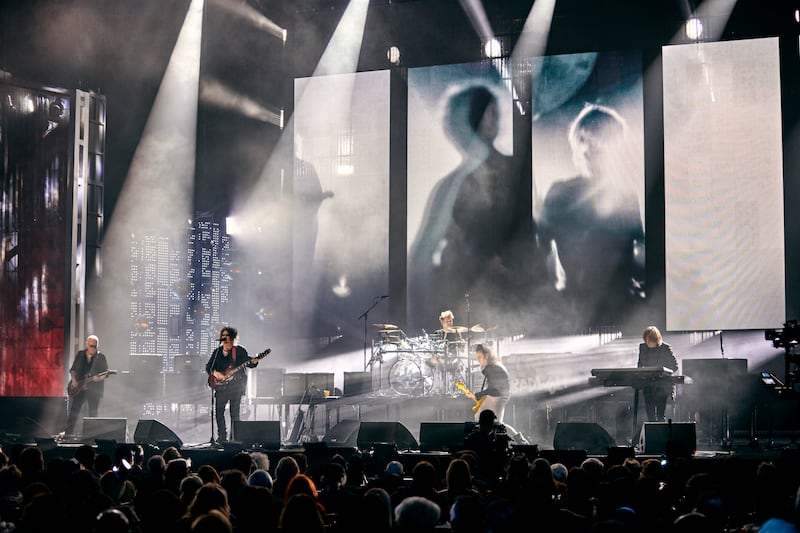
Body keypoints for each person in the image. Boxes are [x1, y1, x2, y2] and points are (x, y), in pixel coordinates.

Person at [408, 85, 544, 331]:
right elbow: (421, 254)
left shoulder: (516, 172)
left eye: (494, 113)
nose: (492, 121)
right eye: (485, 114)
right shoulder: (451, 185)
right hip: (469, 297)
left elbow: (532, 232)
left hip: (515, 295)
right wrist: (421, 316)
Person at [540, 103, 644, 328]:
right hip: (580, 308)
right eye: (587, 140)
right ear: (578, 145)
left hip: (618, 305)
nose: (595, 148)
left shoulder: (625, 195)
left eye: (603, 141)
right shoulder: (560, 194)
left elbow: (640, 249)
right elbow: (540, 250)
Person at [205, 326, 260, 443]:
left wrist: (254, 362)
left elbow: (248, 362)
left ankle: (234, 438)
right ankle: (222, 437)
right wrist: (216, 374)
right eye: (223, 336)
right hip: (221, 388)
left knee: (234, 413)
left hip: (236, 388)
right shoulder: (217, 352)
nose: (224, 338)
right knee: (219, 412)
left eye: (227, 336)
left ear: (233, 338)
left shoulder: (239, 351)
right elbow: (209, 367)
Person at [66, 335, 110, 435]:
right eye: (91, 346)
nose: (93, 348)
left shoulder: (101, 357)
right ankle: (68, 432)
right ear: (87, 344)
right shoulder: (81, 354)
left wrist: (97, 379)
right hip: (79, 388)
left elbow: (105, 374)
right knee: (74, 410)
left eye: (95, 346)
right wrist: (74, 381)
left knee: (93, 413)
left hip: (94, 390)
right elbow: (74, 369)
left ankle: (91, 434)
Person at [637, 325, 678, 422]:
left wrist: (663, 373)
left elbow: (674, 366)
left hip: (662, 385)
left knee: (660, 415)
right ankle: (652, 432)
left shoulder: (665, 348)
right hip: (648, 385)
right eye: (646, 340)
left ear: (655, 339)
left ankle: (660, 431)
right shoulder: (643, 348)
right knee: (650, 416)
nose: (647, 343)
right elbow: (639, 365)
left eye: (649, 340)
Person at [464, 344, 510, 423]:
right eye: (477, 357)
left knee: (497, 423)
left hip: (500, 396)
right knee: (479, 416)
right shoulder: (492, 366)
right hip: (495, 395)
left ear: (487, 356)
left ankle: (516, 435)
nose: (478, 360)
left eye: (480, 357)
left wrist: (475, 395)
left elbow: (492, 390)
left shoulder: (492, 368)